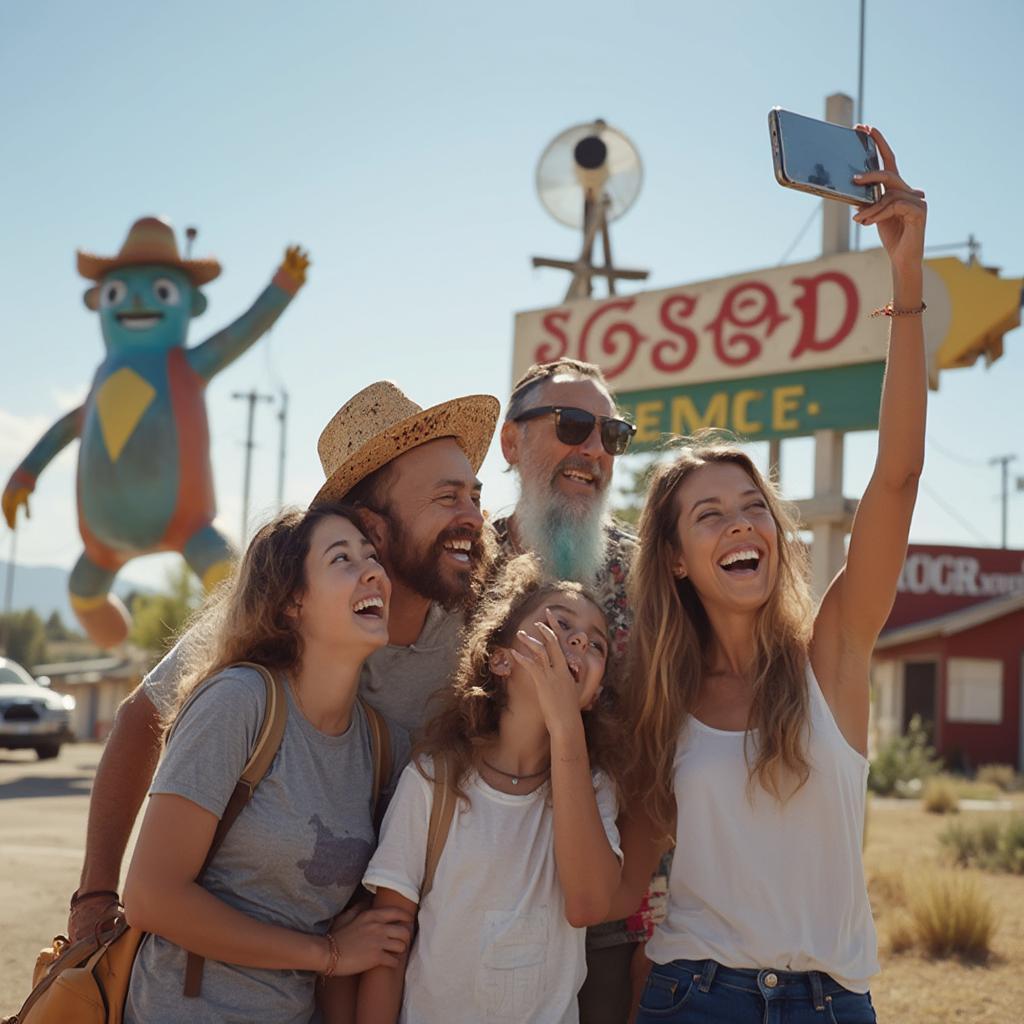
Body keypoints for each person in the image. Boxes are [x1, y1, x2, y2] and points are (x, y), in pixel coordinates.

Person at [615, 127, 926, 1023]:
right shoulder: (657, 694)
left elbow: (896, 477)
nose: (742, 524)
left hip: (835, 1003)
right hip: (692, 993)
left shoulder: (832, 653)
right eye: (708, 515)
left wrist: (906, 281)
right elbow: (620, 881)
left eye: (752, 506)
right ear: (675, 559)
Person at [70, 381, 499, 941]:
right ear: (372, 525)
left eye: (475, 494)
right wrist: (96, 897)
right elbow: (142, 719)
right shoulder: (275, 626)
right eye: (448, 498)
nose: (474, 516)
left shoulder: (481, 630)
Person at [122, 503, 413, 1023]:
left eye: (372, 558)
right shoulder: (239, 701)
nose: (373, 571)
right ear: (291, 603)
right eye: (342, 559)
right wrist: (327, 955)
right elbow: (151, 897)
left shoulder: (383, 745)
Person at [357, 554, 625, 1024]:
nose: (579, 639)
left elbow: (588, 905)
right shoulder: (433, 780)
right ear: (500, 658)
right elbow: (387, 945)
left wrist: (565, 728)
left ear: (594, 695)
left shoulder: (596, 789)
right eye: (559, 624)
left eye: (596, 645)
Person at [498, 357, 667, 1020]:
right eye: (572, 425)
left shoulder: (654, 577)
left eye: (613, 435)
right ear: (511, 442)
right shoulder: (458, 566)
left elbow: (679, 730)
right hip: (472, 896)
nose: (594, 449)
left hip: (611, 926)